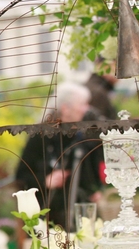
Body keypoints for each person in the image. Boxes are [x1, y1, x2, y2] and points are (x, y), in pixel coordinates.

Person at [14, 82, 103, 231]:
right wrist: (46, 181)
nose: (86, 109)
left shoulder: (84, 135)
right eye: (82, 104)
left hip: (81, 210)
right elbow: (21, 176)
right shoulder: (40, 136)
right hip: (50, 214)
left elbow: (92, 168)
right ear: (65, 108)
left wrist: (95, 189)